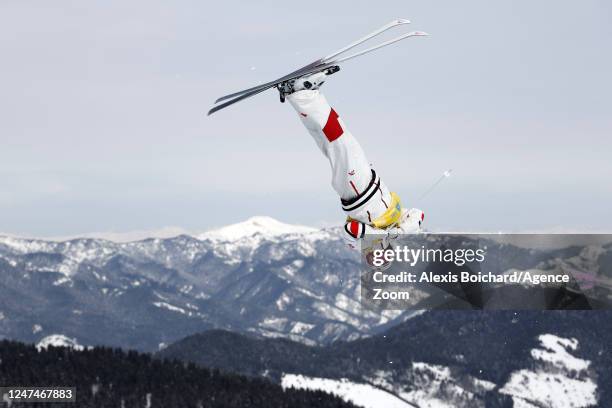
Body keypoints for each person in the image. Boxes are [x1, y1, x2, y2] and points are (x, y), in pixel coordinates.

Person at [281, 71, 424, 249]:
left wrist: (383, 235)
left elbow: (352, 229)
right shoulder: (396, 230)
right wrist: (401, 232)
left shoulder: (365, 243)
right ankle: (298, 95)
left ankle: (304, 93)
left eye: (373, 259)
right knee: (328, 140)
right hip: (367, 181)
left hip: (357, 190)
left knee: (339, 139)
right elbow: (418, 215)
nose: (376, 256)